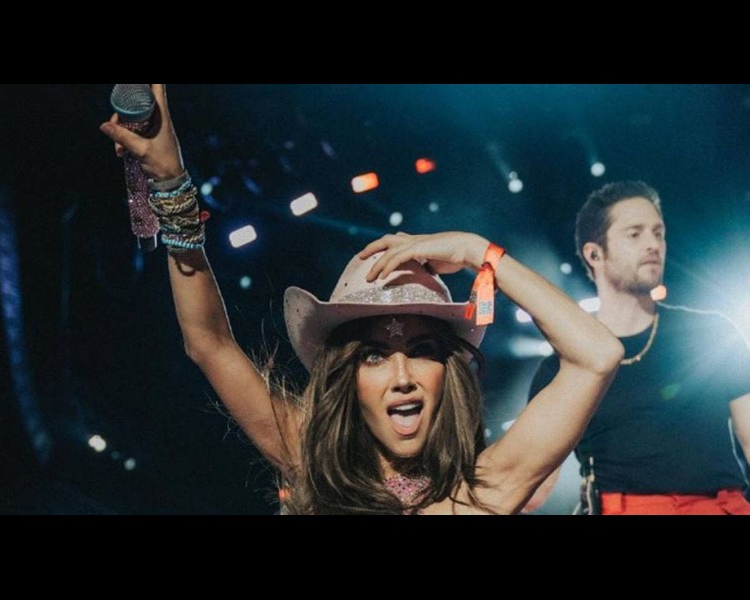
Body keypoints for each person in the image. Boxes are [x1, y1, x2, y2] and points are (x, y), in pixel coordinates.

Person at [100, 84, 624, 515]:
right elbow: (208, 342)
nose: (402, 376)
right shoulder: (309, 460)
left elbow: (597, 355)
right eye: (374, 355)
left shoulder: (483, 492)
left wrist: (475, 251)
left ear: (449, 372)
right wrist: (169, 182)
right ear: (346, 376)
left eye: (422, 351)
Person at [525, 181, 750, 515]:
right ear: (594, 254)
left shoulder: (712, 332)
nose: (653, 244)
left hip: (721, 507)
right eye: (635, 234)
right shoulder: (563, 365)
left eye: (658, 233)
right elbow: (531, 487)